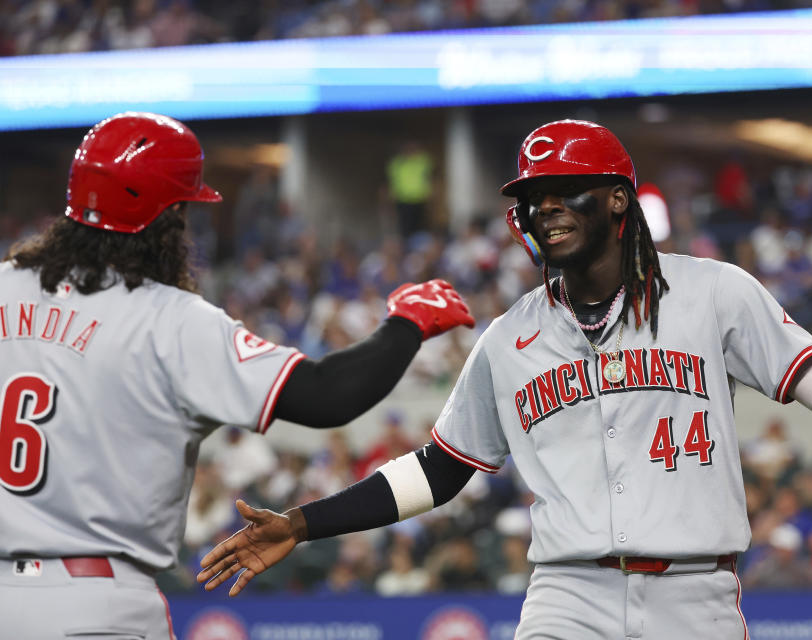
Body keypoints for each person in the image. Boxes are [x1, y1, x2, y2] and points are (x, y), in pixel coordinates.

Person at [197, 120, 812, 638]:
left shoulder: (715, 291)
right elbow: (439, 469)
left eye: (563, 188)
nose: (542, 205)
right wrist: (303, 522)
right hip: (567, 596)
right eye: (530, 196)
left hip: (696, 594)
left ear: (618, 198)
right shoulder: (510, 335)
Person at [0, 111, 475, 640]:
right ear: (167, 218)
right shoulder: (168, 319)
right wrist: (407, 323)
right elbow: (327, 396)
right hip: (93, 605)